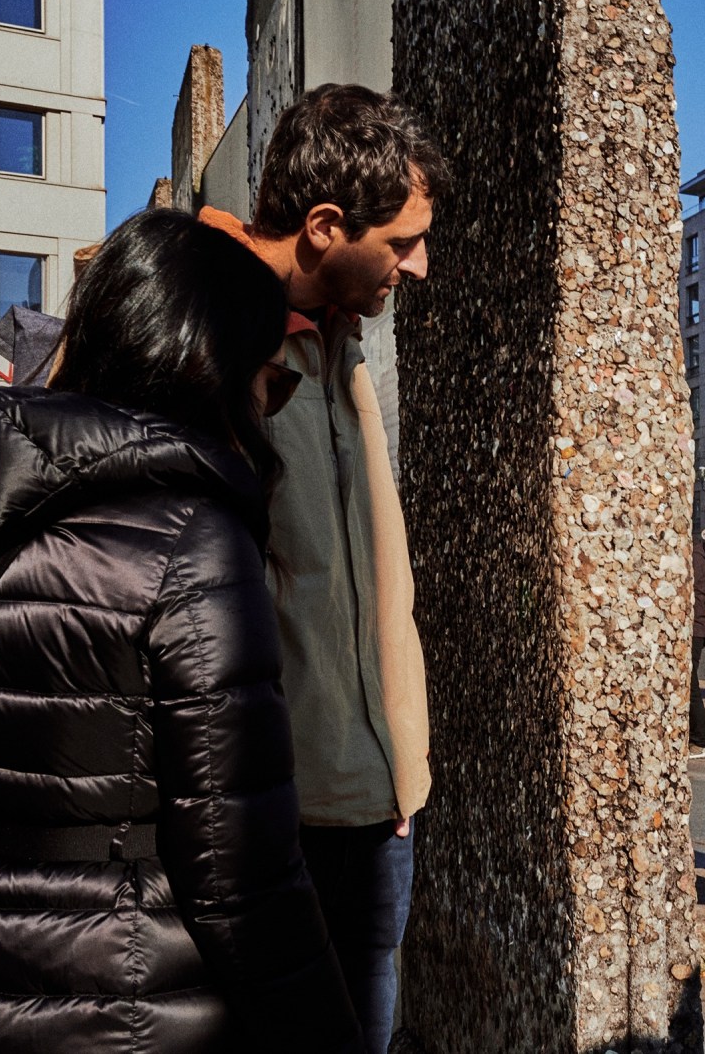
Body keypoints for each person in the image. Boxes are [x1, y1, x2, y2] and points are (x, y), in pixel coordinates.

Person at [0, 209, 361, 1053]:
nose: (269, 407)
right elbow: (240, 872)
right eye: (271, 382)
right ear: (209, 367)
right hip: (124, 1001)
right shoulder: (193, 540)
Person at [197, 82, 450, 1054]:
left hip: (373, 808)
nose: (418, 267)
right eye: (402, 242)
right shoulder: (194, 323)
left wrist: (398, 765)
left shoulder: (340, 336)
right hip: (265, 820)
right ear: (325, 227)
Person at [689, 537, 705, 758]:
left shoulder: (693, 550)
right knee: (689, 682)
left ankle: (700, 740)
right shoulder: (693, 549)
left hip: (694, 627)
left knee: (690, 683)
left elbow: (697, 592)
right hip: (695, 626)